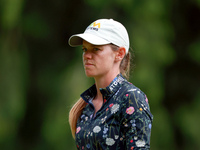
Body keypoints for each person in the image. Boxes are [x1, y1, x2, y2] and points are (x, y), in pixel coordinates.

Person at [68, 19, 153, 150]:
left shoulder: (132, 99)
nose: (87, 56)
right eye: (85, 49)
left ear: (119, 54)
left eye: (96, 49)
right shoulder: (85, 106)